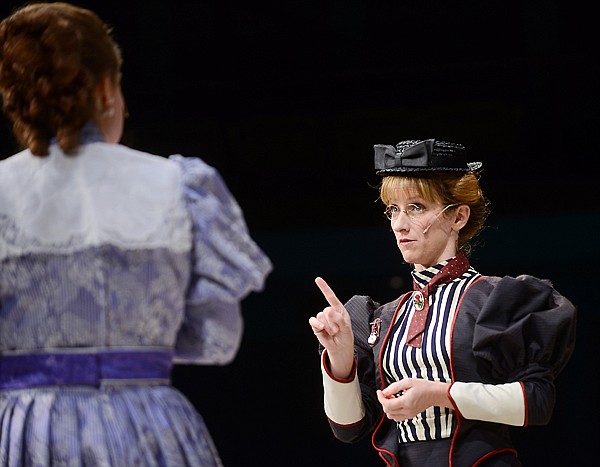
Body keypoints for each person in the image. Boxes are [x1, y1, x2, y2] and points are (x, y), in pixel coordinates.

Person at [0, 3, 272, 466]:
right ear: (106, 89)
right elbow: (215, 339)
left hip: (28, 431)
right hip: (146, 424)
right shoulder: (179, 185)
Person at [309, 139, 576, 466]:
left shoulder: (495, 300)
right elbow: (348, 428)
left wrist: (441, 394)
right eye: (393, 210)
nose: (399, 224)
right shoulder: (384, 317)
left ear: (458, 216)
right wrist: (340, 358)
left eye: (416, 207)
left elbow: (537, 402)